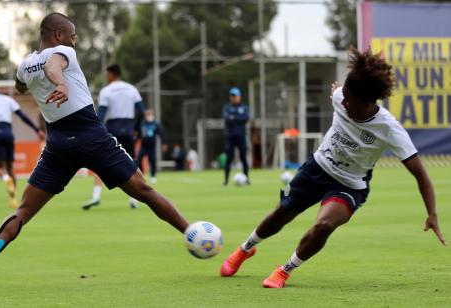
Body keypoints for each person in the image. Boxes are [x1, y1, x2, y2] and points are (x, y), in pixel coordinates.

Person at [0, 12, 189, 290]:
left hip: (58, 145)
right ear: (58, 35)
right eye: (72, 36)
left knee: (24, 210)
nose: (74, 42)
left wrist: (37, 81)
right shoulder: (62, 52)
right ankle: (190, 232)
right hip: (91, 137)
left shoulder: (25, 64)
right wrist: (60, 82)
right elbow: (53, 64)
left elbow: (20, 86)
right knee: (144, 190)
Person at [219, 48, 447, 288]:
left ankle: (284, 270)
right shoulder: (341, 97)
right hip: (316, 169)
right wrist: (338, 93)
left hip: (350, 184)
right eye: (343, 96)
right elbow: (338, 95)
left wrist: (431, 213)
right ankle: (245, 249)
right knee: (281, 213)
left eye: (350, 100)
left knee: (325, 224)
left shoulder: (389, 129)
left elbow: (420, 174)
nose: (344, 102)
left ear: (368, 101)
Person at [81, 63, 144, 210]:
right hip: (128, 129)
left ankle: (96, 196)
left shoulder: (107, 91)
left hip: (113, 128)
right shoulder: (131, 89)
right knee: (132, 164)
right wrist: (136, 129)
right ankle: (135, 199)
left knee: (100, 162)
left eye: (106, 74)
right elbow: (141, 112)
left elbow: (102, 114)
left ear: (111, 74)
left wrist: (94, 130)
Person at [0, 81, 45, 208]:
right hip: (7, 133)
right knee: (11, 165)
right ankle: (13, 199)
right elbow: (22, 116)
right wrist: (37, 130)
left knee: (1, 167)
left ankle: (6, 178)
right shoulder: (7, 99)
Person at [222, 87, 250, 186]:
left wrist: (234, 117)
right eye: (232, 96)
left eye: (235, 96)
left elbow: (245, 118)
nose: (233, 98)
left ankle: (247, 179)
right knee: (228, 159)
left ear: (239, 97)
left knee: (244, 158)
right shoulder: (227, 108)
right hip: (230, 137)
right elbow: (227, 119)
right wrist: (237, 118)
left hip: (241, 136)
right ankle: (225, 180)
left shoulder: (244, 107)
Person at [137, 109, 167, 183]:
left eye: (151, 114)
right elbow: (138, 134)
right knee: (139, 158)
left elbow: (161, 134)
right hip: (143, 145)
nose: (149, 116)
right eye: (148, 114)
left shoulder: (156, 124)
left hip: (152, 146)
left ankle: (153, 176)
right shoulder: (142, 124)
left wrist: (164, 143)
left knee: (152, 160)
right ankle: (142, 174)